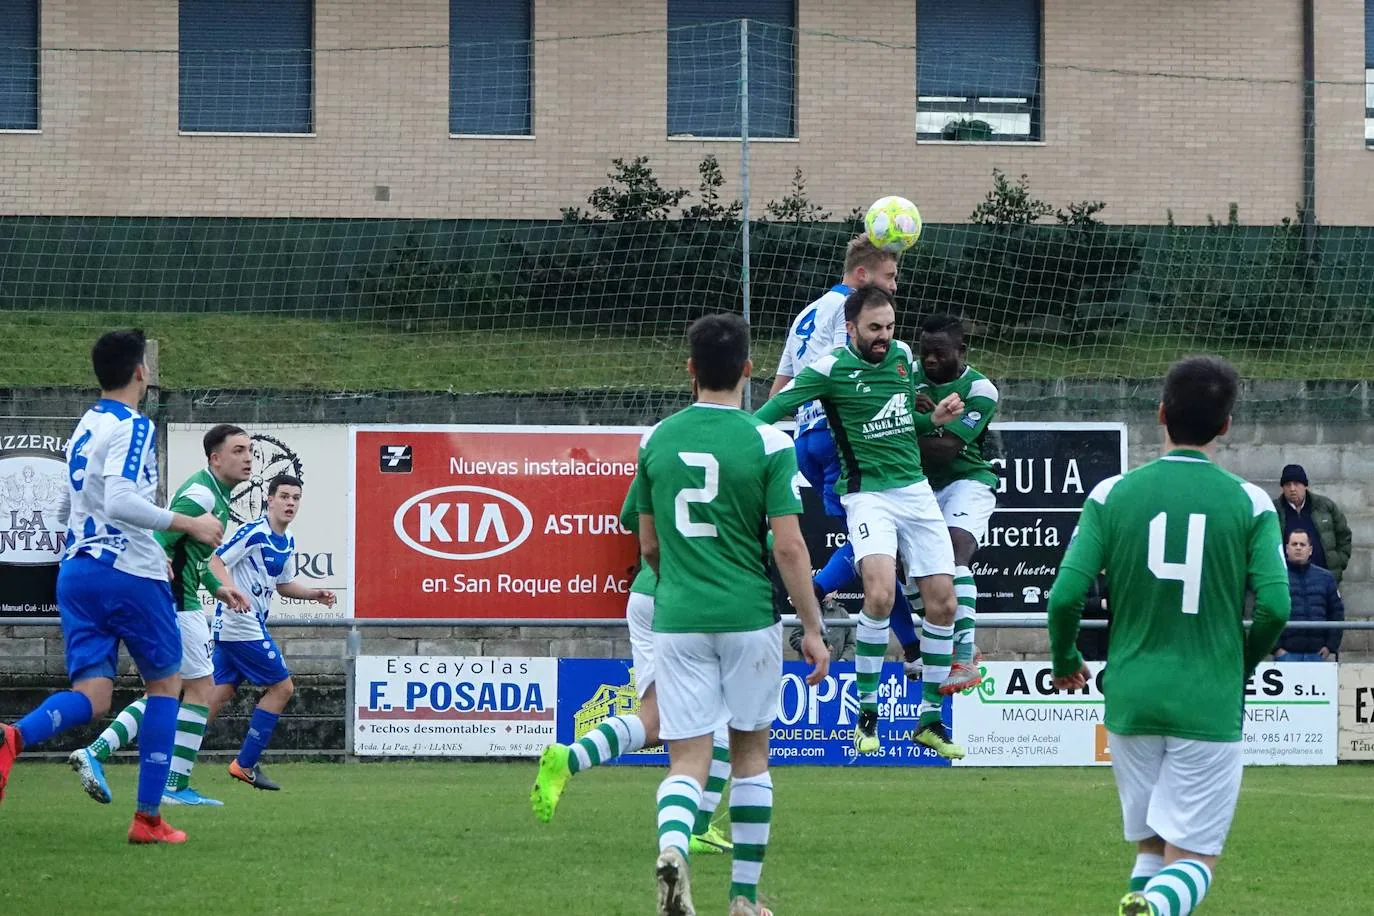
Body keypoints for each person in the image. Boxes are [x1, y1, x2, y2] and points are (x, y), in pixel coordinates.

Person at [1046, 355, 1291, 916]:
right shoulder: (1250, 502)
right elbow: (1276, 607)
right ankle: (1151, 911)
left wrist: (1065, 657)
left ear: (1161, 414)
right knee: (1194, 858)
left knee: (1153, 845)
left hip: (1131, 697)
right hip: (1207, 698)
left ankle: (1147, 902)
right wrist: (1243, 663)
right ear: (1227, 424)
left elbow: (1064, 597)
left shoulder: (1112, 495)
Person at [0, 328, 224, 844]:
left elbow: (65, 505)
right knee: (167, 685)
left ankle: (13, 737)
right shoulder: (135, 425)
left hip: (77, 570)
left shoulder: (86, 424)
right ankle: (148, 820)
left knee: (94, 695)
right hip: (127, 572)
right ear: (141, 371)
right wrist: (185, 525)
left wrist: (86, 555)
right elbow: (122, 500)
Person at [637, 313, 828, 916]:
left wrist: (682, 587)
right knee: (750, 755)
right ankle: (744, 900)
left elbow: (647, 547)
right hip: (748, 616)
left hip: (678, 617)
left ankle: (673, 848)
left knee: (686, 757)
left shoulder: (656, 439)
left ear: (690, 369)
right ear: (748, 370)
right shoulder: (770, 442)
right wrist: (814, 628)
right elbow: (790, 547)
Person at [755, 286, 967, 760]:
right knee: (879, 593)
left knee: (944, 603)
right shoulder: (829, 370)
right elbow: (768, 415)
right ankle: (866, 713)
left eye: (890, 328)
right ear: (849, 328)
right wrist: (730, 440)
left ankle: (930, 720)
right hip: (867, 494)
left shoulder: (902, 358)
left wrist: (930, 417)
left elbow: (899, 419)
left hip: (913, 490)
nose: (884, 337)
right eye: (874, 329)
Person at [529, 473, 735, 856]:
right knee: (720, 716)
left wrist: (668, 535)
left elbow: (629, 516)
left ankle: (568, 759)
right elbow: (757, 538)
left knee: (653, 720)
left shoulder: (660, 448)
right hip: (692, 597)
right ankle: (698, 827)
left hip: (645, 593)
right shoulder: (732, 452)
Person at [69, 424, 252, 808]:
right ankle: (173, 782)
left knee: (172, 689)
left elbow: (189, 553)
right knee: (198, 688)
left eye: (250, 450)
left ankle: (100, 752)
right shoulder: (202, 493)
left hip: (179, 599)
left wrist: (217, 586)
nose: (248, 457)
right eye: (238, 450)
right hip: (176, 603)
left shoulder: (214, 493)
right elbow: (161, 539)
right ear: (215, 458)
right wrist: (161, 564)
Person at [203, 474, 336, 790]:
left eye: (296, 497)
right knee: (283, 688)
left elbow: (283, 584)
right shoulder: (255, 533)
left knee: (215, 696)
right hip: (241, 626)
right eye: (285, 496)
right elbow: (215, 562)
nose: (291, 502)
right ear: (269, 499)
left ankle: (169, 753)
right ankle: (245, 764)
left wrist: (314, 594)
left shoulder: (287, 540)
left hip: (243, 627)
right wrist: (231, 592)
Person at [898, 313, 1000, 694]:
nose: (929, 361)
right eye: (925, 353)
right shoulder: (904, 374)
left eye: (939, 353)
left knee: (954, 553)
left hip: (968, 480)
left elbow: (946, 450)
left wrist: (913, 425)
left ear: (961, 350)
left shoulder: (981, 390)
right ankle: (940, 643)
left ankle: (963, 655)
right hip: (917, 484)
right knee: (908, 571)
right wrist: (922, 422)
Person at [1273, 464, 1352, 585]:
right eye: (1287, 484)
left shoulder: (1325, 506)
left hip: (1324, 581)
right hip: (1287, 582)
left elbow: (1344, 536)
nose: (1292, 488)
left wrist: (1338, 564)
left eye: (1297, 484)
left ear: (1305, 485)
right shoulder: (1274, 511)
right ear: (1282, 488)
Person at [1273, 529, 1343, 662]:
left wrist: (1330, 646)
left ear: (1310, 550)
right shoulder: (1276, 577)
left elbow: (1337, 613)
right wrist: (1276, 649)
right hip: (1285, 656)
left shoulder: (1326, 578)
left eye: (1302, 544)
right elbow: (1267, 610)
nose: (1298, 548)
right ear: (1287, 549)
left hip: (1318, 655)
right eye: (1294, 544)